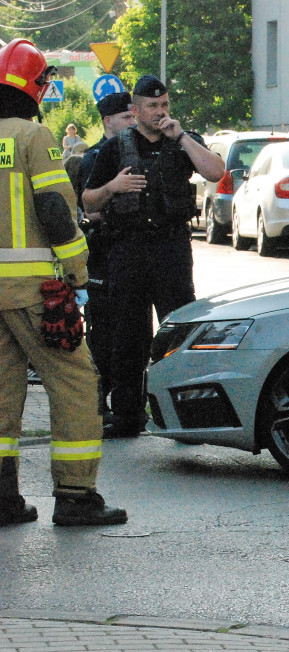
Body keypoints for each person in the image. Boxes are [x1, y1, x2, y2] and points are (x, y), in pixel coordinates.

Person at [0, 38, 126, 526]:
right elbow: (54, 209)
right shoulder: (34, 137)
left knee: (3, 389)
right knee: (76, 382)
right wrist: (77, 267)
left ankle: (3, 497)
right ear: (36, 87)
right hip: (34, 290)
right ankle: (76, 496)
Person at [82, 75, 224, 439]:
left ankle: (188, 416)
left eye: (164, 105)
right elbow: (89, 201)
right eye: (152, 106)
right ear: (135, 110)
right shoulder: (115, 149)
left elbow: (215, 172)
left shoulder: (183, 141)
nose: (160, 112)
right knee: (129, 335)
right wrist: (114, 188)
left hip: (171, 249)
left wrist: (182, 137)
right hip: (127, 249)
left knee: (180, 333)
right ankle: (128, 414)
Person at [76, 92, 135, 426]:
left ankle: (130, 406)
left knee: (132, 335)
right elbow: (86, 211)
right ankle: (97, 404)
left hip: (131, 256)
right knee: (101, 334)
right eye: (125, 117)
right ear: (108, 120)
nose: (132, 122)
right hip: (101, 255)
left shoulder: (138, 151)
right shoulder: (93, 158)